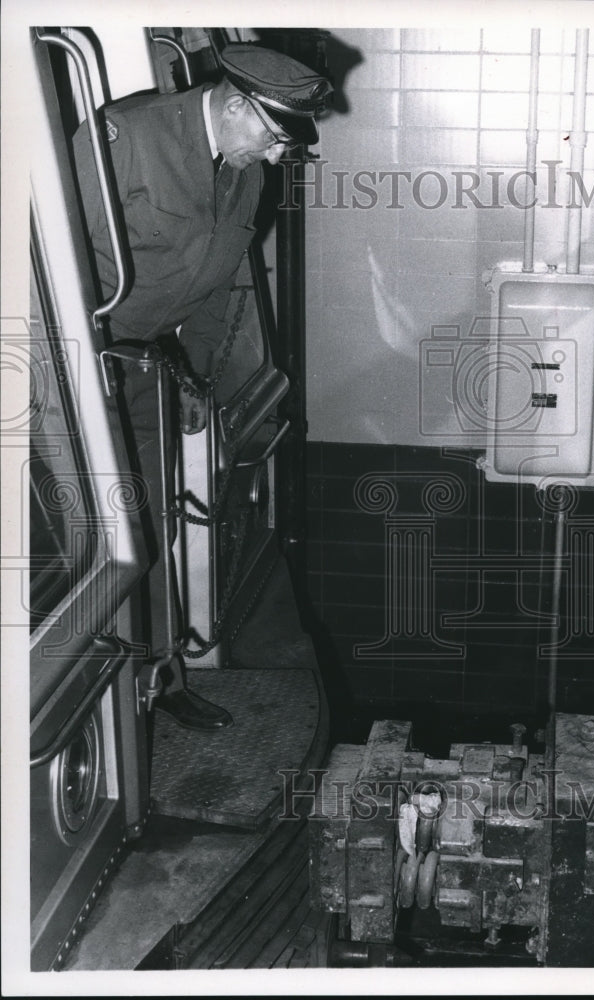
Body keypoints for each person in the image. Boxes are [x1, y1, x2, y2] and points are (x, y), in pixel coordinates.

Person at [73, 44, 332, 730]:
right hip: (65, 370)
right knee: (89, 541)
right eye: (276, 138)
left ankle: (158, 677)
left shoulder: (239, 168)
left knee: (148, 527)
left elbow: (216, 282)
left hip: (142, 367)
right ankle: (87, 711)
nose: (280, 158)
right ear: (239, 105)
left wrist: (195, 373)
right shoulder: (124, 140)